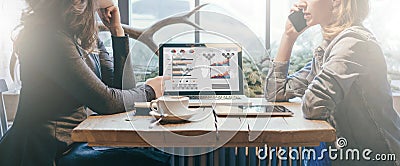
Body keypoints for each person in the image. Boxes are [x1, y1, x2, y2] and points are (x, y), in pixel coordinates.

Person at [0, 0, 170, 165]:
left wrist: (117, 32)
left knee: (160, 154)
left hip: (72, 143)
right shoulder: (48, 37)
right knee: (160, 158)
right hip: (45, 151)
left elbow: (122, 90)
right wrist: (150, 90)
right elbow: (107, 102)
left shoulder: (82, 33)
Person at [265, 0, 400, 165]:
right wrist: (288, 36)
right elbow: (275, 92)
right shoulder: (331, 47)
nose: (300, 3)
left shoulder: (354, 43)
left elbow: (313, 105)